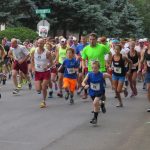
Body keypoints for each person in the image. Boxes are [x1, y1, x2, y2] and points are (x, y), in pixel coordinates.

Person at [31, 38, 53, 108]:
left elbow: (51, 63)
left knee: (43, 87)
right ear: (37, 43)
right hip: (37, 72)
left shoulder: (47, 53)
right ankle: (44, 86)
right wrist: (33, 68)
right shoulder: (34, 51)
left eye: (41, 43)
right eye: (38, 43)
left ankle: (43, 101)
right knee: (38, 89)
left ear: (44, 44)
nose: (39, 44)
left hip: (46, 72)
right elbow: (32, 60)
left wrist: (47, 66)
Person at [138, 42, 150, 112]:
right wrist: (140, 68)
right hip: (148, 72)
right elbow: (141, 61)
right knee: (148, 89)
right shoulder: (144, 51)